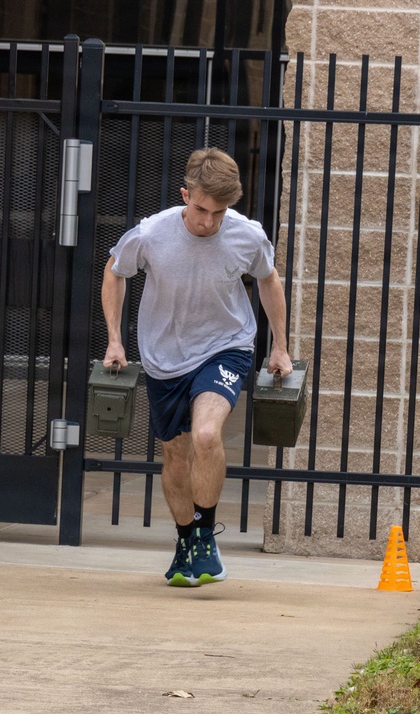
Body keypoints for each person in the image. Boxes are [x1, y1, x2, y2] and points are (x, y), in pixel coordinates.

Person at [101, 147, 293, 587]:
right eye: (201, 209)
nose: (209, 221)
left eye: (219, 212)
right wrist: (114, 339)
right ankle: (185, 541)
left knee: (207, 434)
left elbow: (269, 279)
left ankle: (206, 535)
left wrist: (279, 346)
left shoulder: (247, 235)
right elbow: (115, 271)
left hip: (226, 347)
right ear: (186, 194)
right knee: (176, 455)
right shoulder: (151, 233)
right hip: (164, 357)